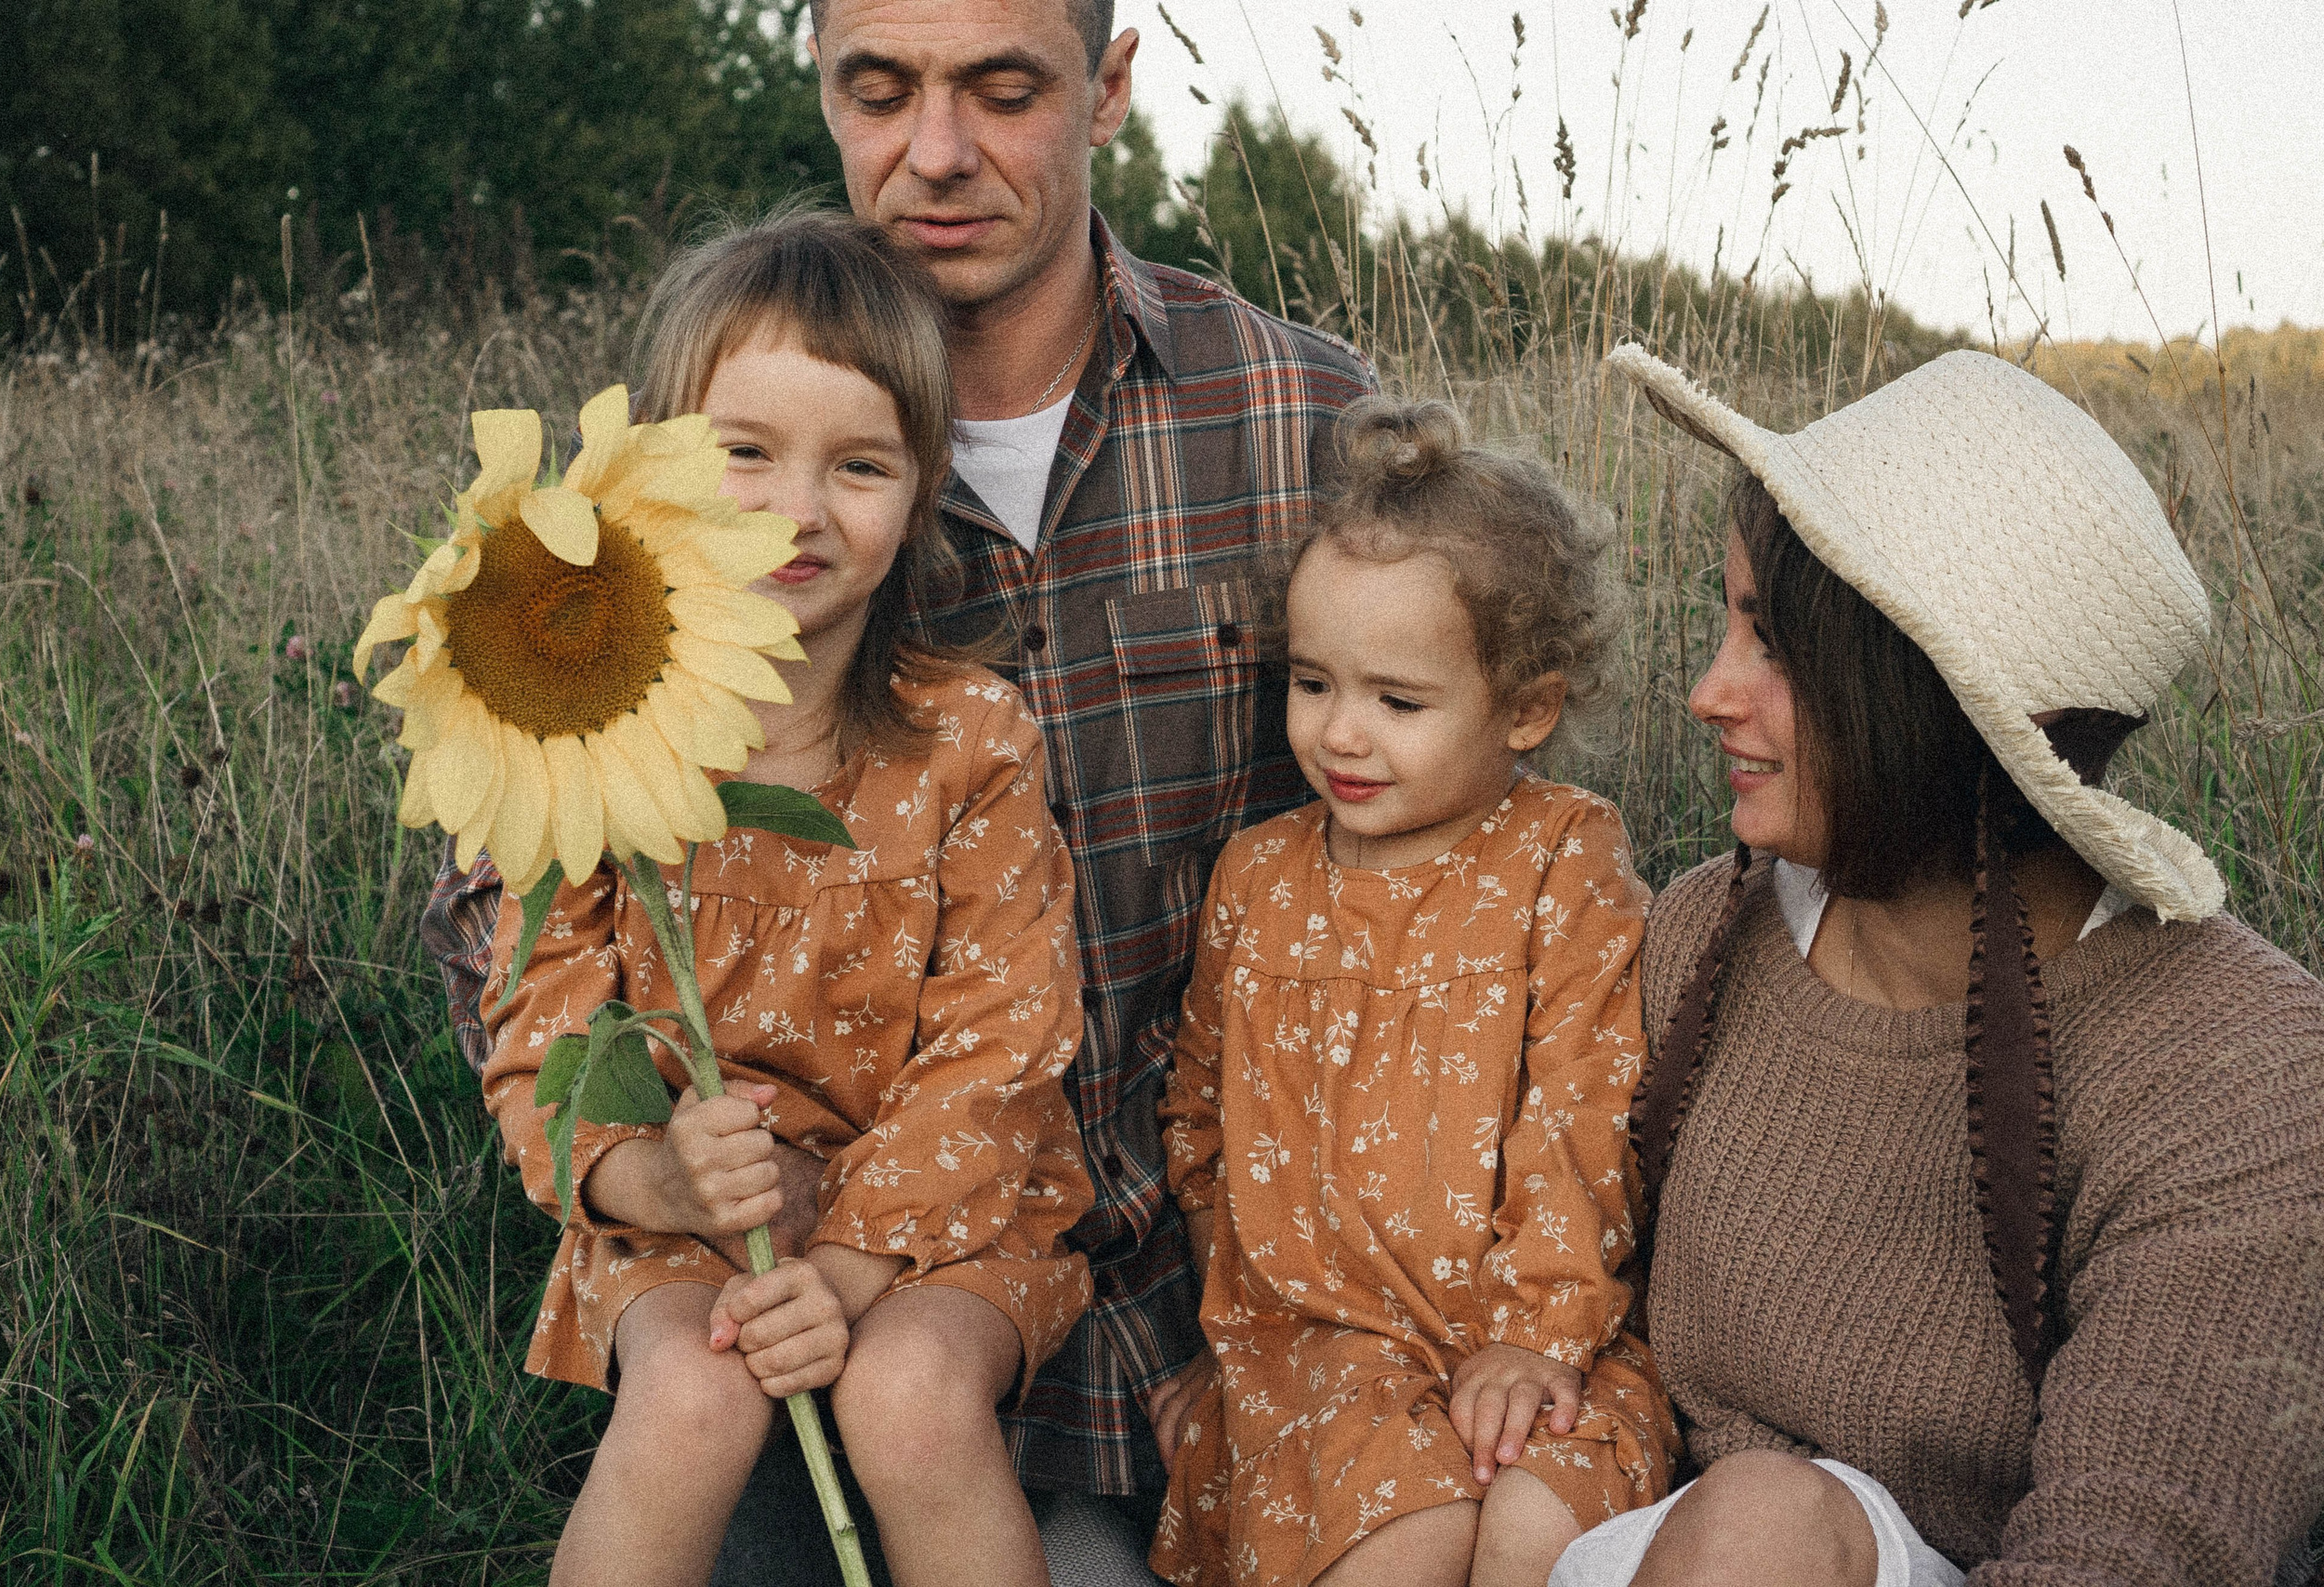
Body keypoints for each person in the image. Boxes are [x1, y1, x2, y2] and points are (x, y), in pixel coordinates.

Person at [424, 1, 1373, 1579]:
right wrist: (650, 1161)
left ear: (1110, 87)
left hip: (1146, 1303)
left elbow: (1438, 848)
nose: (936, 153)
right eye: (881, 89)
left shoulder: (1298, 423)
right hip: (737, 1287)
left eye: (1004, 89)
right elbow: (515, 940)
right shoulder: (657, 529)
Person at [1550, 344, 2324, 1585]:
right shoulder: (1702, 935)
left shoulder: (2239, 1071)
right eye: (1727, 618)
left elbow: (2139, 1543)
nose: (1708, 691)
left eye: (1777, 644)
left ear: (1921, 697)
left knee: (1758, 1526)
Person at [479, 211, 1094, 1587]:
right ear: (648, 473)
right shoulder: (588, 741)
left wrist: (858, 1264)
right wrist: (655, 1169)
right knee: (691, 1396)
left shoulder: (970, 739)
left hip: (945, 1220)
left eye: (859, 464)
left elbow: (1002, 1044)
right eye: (742, 453)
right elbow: (542, 1034)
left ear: (926, 486)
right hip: (688, 1208)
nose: (798, 509)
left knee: (909, 1400)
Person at [1145, 399, 1676, 1587]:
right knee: (1407, 1539)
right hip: (1326, 1351)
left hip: (1544, 1329)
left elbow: (1590, 1110)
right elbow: (1200, 1120)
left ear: (1525, 709)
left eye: (1397, 700)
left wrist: (1536, 1338)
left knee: (1541, 1520)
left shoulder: (1558, 855)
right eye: (1312, 682)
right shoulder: (1261, 874)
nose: (1341, 734)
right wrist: (1229, 1335)